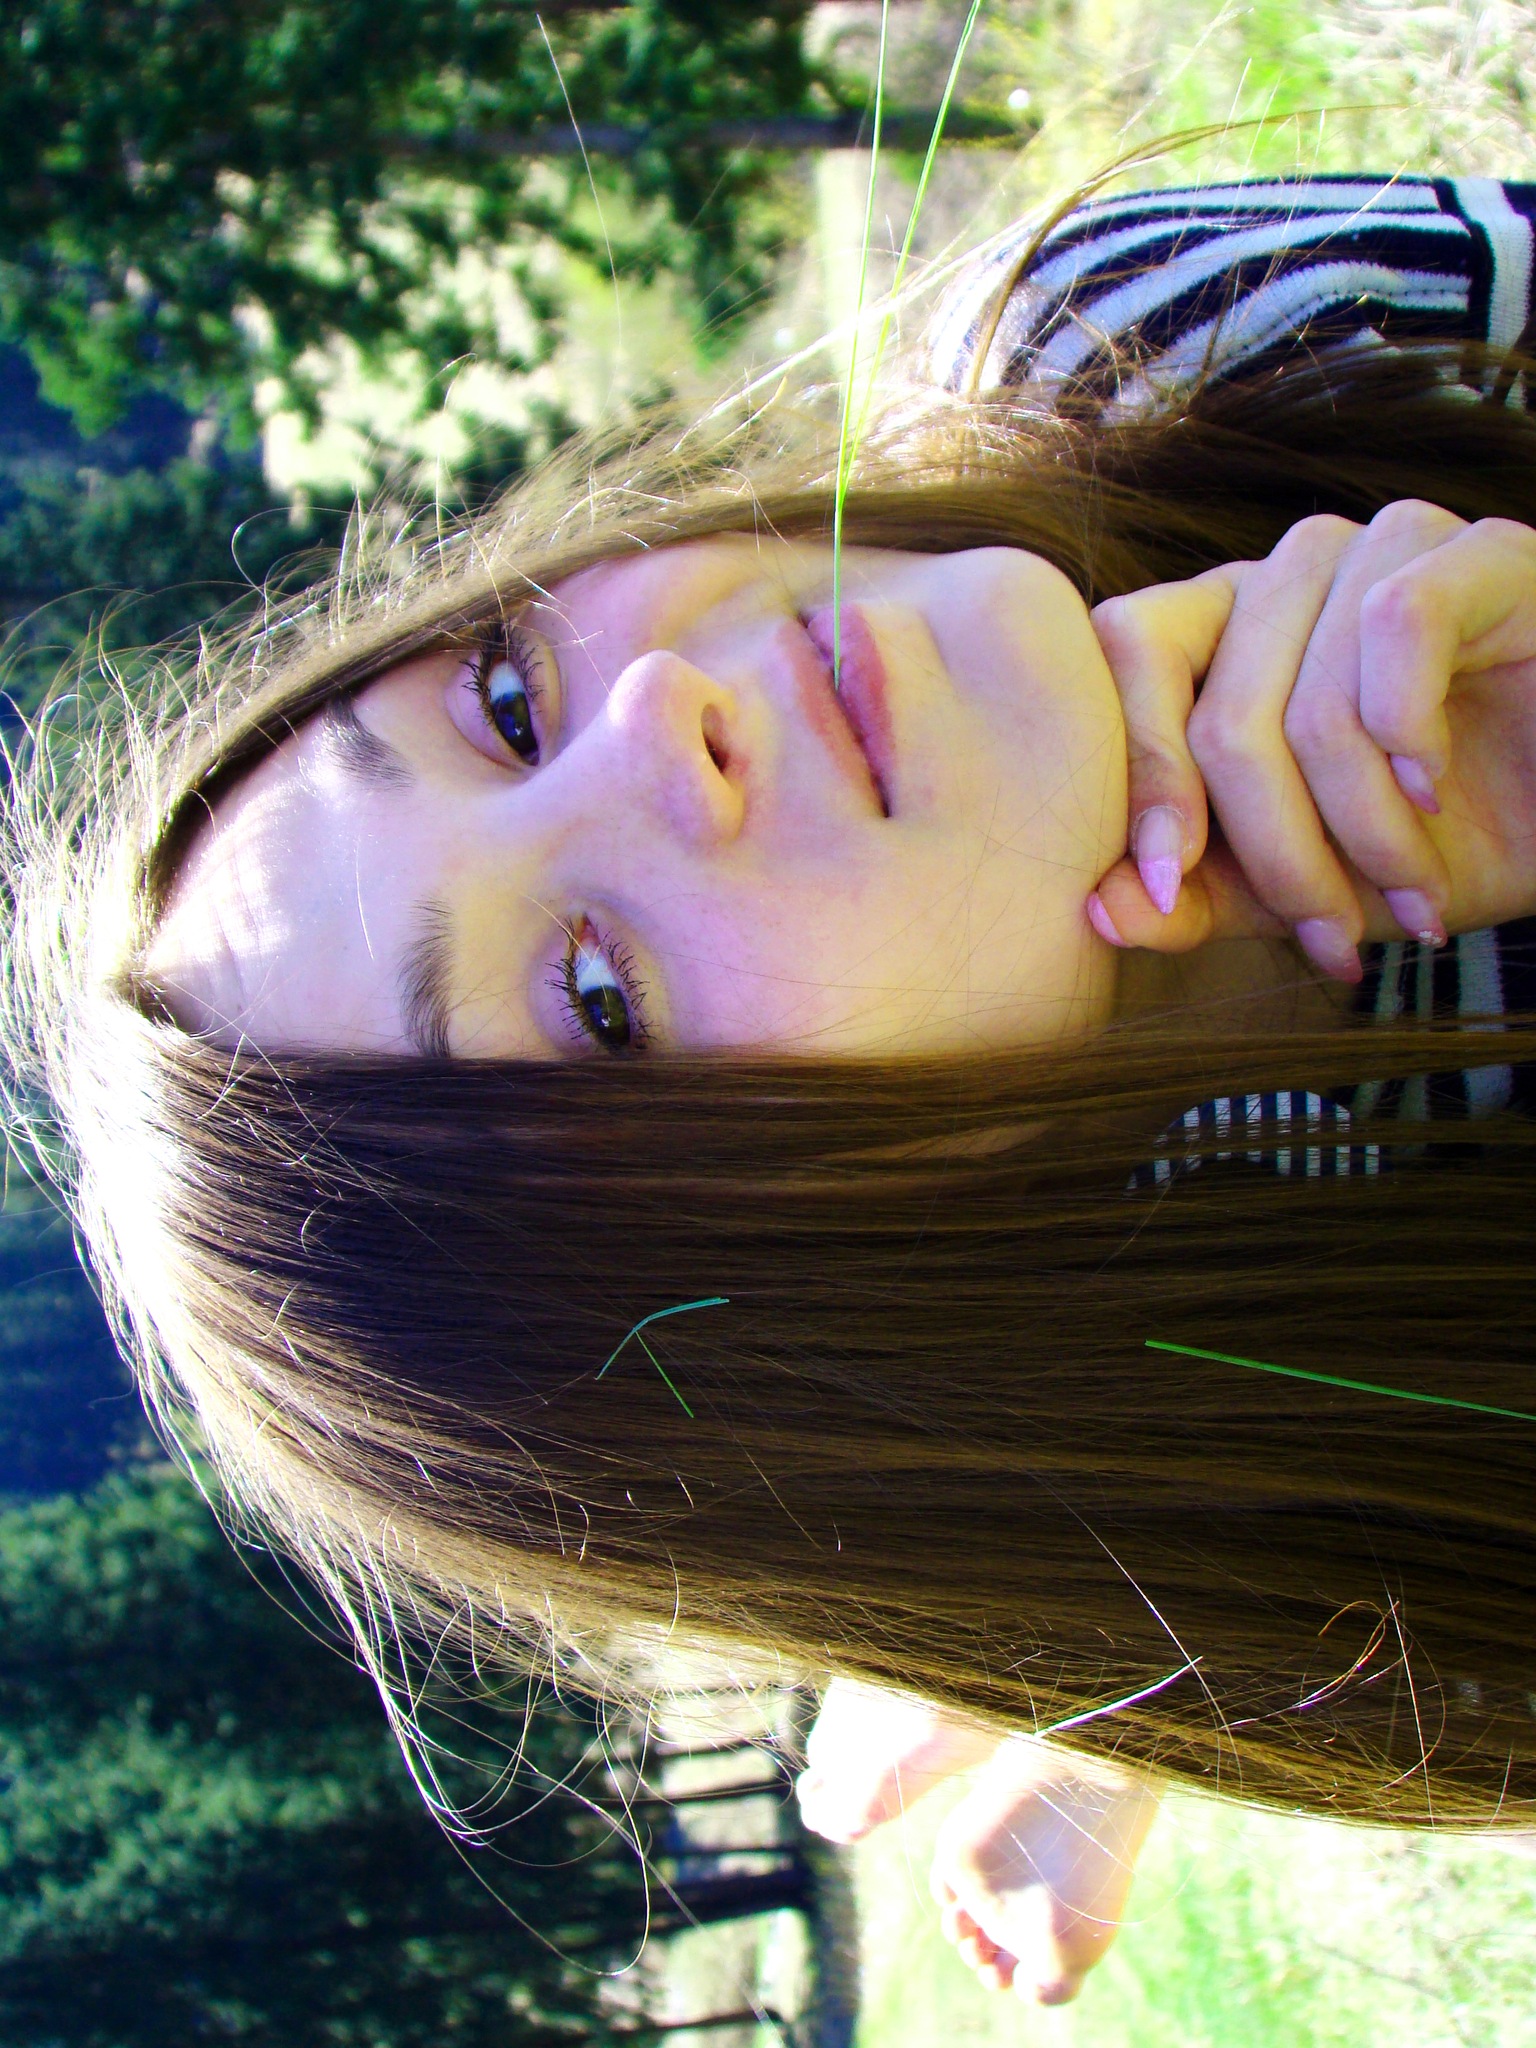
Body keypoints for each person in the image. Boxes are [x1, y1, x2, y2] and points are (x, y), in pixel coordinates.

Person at [7, 167, 1536, 2005]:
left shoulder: (1156, 340)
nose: (656, 716)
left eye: (506, 703)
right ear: (785, 1322)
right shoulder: (1382, 1498)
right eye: (597, 994)